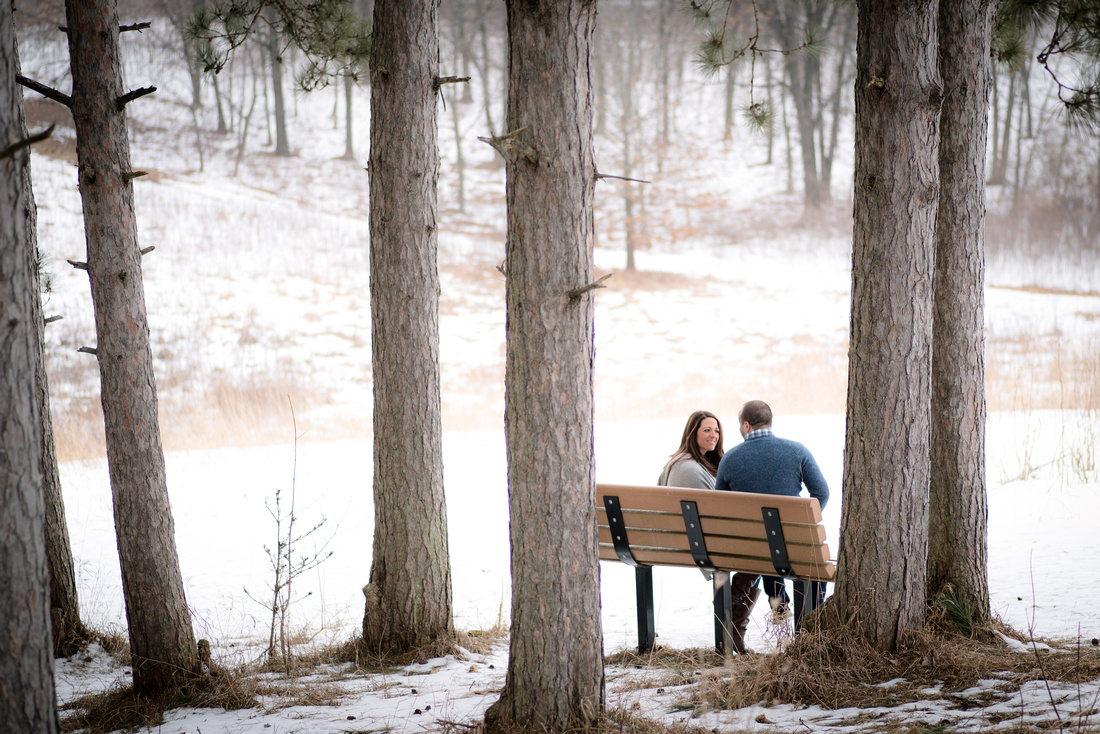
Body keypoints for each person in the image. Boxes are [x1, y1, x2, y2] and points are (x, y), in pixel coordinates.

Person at [714, 399, 830, 653]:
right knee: (790, 548)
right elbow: (821, 492)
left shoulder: (730, 458)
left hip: (752, 549)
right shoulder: (796, 450)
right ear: (769, 422)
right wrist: (800, 523)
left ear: (746, 425)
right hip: (794, 544)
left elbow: (719, 505)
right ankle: (809, 626)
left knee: (766, 545)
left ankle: (780, 609)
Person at [657, 410, 725, 490]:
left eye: (717, 431)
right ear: (693, 433)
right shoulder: (687, 468)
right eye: (707, 430)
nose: (714, 435)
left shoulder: (706, 462)